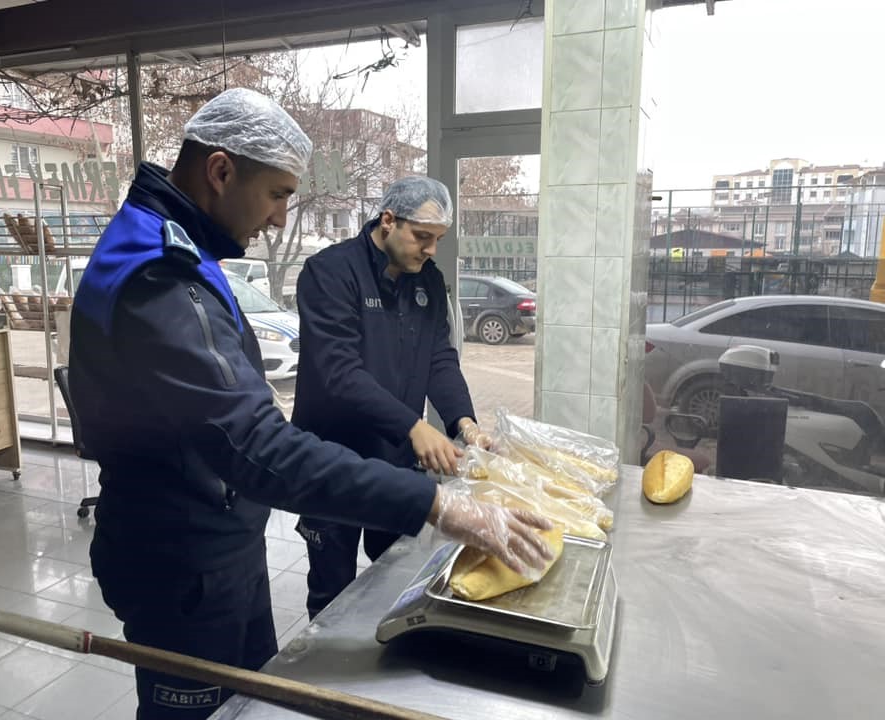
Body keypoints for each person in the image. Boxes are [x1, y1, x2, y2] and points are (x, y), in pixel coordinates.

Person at [68, 88, 553, 720]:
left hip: (221, 540)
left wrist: (459, 422)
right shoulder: (160, 276)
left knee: (255, 699)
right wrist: (437, 503)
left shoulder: (179, 248)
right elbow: (257, 444)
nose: (277, 219)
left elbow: (434, 359)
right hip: (181, 559)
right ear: (220, 171)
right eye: (276, 194)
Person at [292, 176, 493, 619]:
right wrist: (413, 425)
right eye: (423, 237)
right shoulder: (330, 273)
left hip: (396, 459)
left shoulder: (428, 283)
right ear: (388, 221)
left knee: (400, 574)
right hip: (332, 460)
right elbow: (339, 373)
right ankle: (322, 678)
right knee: (332, 592)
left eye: (438, 240)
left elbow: (440, 357)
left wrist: (464, 422)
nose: (430, 250)